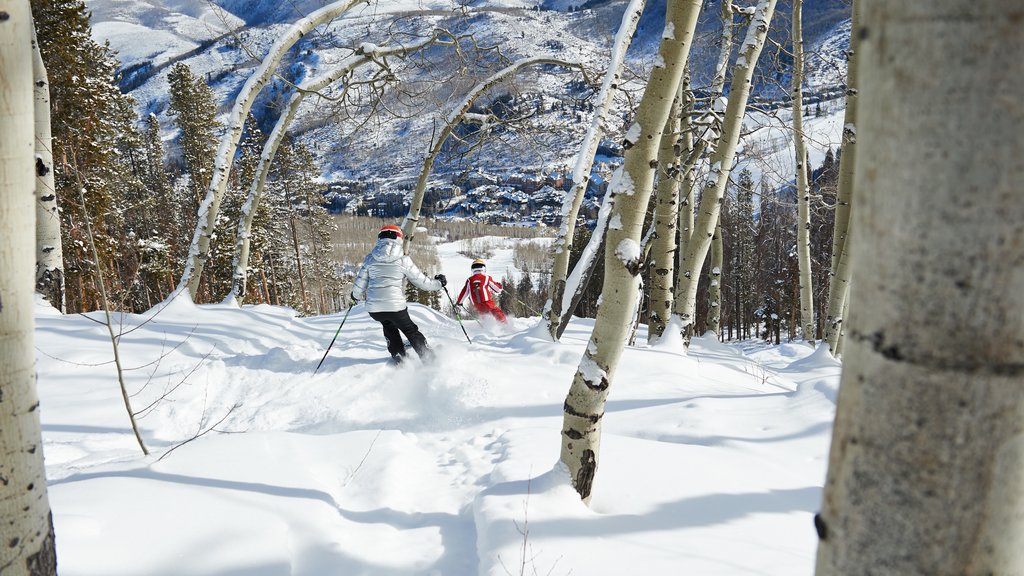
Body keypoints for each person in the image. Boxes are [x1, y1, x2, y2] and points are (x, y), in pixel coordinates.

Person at [352, 224, 447, 364]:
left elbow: (360, 284)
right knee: (410, 330)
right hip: (395, 307)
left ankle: (398, 355)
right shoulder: (403, 259)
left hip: (375, 309)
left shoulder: (370, 259)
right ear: (399, 239)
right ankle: (428, 358)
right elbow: (422, 282)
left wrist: (355, 295)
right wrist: (439, 283)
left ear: (380, 238)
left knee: (388, 326)